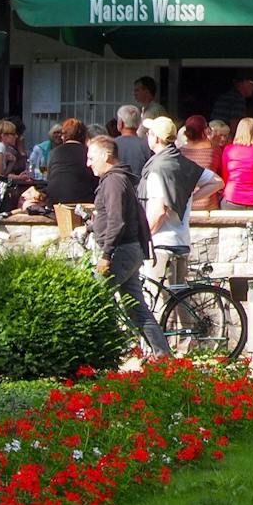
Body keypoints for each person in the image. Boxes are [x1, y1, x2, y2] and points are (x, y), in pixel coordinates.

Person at [85, 134, 167, 357]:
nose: (88, 163)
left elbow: (117, 221)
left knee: (95, 299)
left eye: (91, 157)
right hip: (129, 248)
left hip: (120, 250)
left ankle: (102, 354)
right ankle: (163, 356)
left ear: (106, 155)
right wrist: (89, 228)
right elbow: (112, 217)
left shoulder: (113, 181)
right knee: (136, 307)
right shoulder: (117, 179)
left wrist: (106, 255)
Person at [141, 116, 223, 284]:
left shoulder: (158, 169)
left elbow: (159, 211)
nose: (147, 136)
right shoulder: (182, 162)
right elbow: (217, 182)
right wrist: (189, 198)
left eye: (149, 133)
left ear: (156, 138)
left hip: (161, 244)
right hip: (182, 242)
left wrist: (143, 236)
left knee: (160, 305)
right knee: (178, 303)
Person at [42, 119, 99, 204]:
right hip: (82, 201)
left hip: (54, 200)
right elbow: (96, 178)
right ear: (84, 135)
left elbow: (49, 176)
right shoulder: (88, 152)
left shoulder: (55, 152)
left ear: (64, 136)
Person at [114, 105, 153, 175]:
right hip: (141, 185)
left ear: (121, 123)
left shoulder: (112, 144)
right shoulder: (147, 145)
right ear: (138, 124)